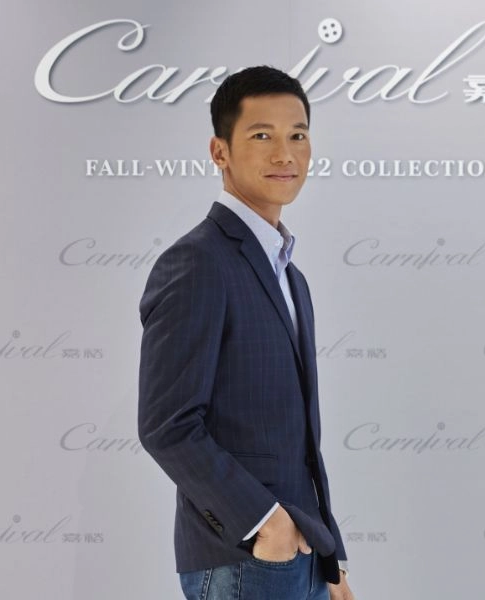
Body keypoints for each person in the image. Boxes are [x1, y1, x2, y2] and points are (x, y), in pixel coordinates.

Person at [138, 66, 355, 600]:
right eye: (262, 135)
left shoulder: (291, 274)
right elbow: (167, 426)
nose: (285, 154)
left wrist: (330, 558)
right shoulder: (197, 262)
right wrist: (266, 524)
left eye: (298, 135)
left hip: (303, 553)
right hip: (245, 556)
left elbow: (294, 439)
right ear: (220, 151)